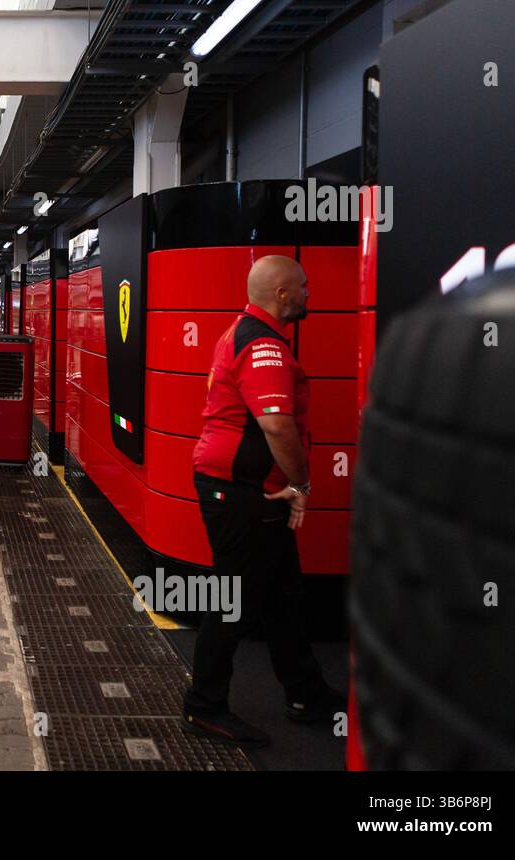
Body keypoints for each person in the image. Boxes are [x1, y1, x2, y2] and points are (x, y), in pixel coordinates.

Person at [184, 255, 343, 747]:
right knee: (233, 598)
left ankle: (305, 694)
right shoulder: (262, 345)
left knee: (283, 595)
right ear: (281, 294)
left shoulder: (246, 331)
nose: (309, 294)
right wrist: (303, 485)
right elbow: (277, 424)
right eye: (304, 287)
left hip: (250, 489)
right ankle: (204, 706)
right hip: (239, 491)